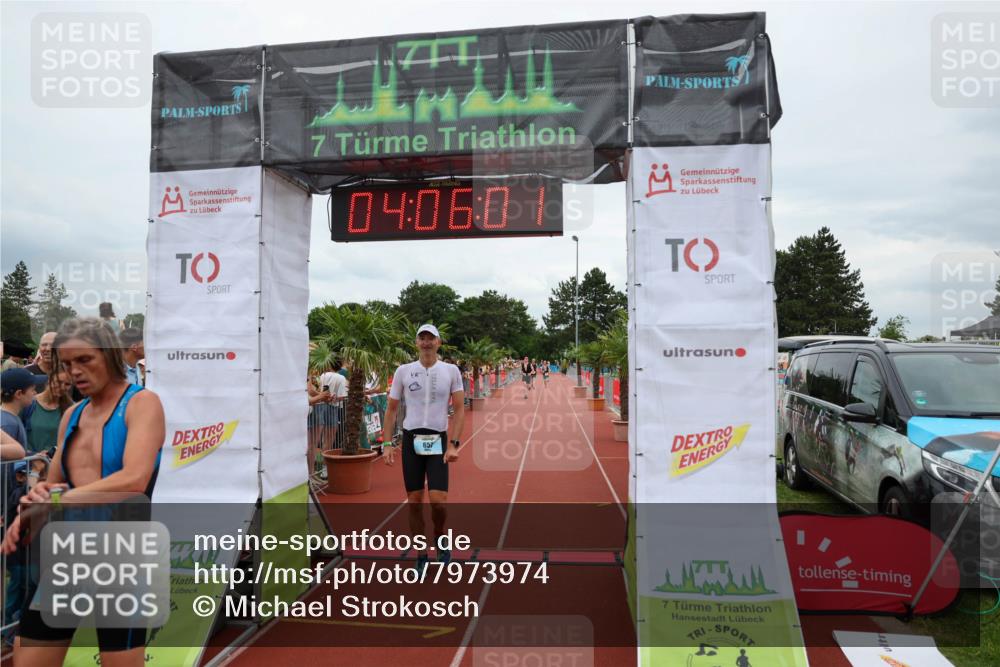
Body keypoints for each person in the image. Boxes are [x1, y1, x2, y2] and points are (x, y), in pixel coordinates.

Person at [1, 317, 165, 667]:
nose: (74, 371)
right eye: (67, 363)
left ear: (108, 355)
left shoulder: (142, 404)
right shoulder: (72, 415)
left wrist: (57, 499)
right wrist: (29, 510)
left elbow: (133, 478)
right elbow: (53, 483)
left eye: (84, 360)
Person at [381, 324, 464, 571]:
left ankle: (439, 535)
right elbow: (391, 409)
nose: (426, 342)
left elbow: (459, 409)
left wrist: (454, 445)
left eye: (431, 338)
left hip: (437, 440)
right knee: (415, 501)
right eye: (422, 338)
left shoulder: (451, 371)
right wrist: (386, 443)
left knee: (439, 503)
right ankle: (421, 553)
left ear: (439, 342)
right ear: (416, 343)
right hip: (411, 440)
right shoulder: (404, 371)